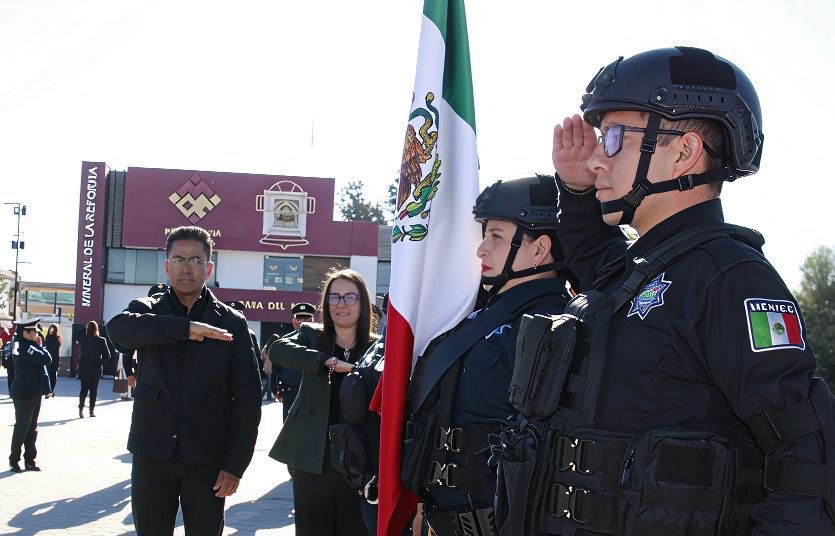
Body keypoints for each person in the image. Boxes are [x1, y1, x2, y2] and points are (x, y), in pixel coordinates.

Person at [501, 47, 835, 535]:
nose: (595, 160)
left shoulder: (732, 278)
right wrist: (574, 191)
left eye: (614, 138)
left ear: (683, 153)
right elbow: (593, 255)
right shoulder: (635, 269)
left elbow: (807, 458)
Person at [400, 175, 574, 536]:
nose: (481, 249)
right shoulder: (478, 317)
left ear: (539, 249)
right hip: (442, 519)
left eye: (496, 236)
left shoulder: (557, 327)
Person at [108, 225, 262, 535]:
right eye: (178, 259)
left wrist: (235, 465)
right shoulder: (147, 310)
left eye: (195, 260)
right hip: (152, 453)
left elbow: (248, 399)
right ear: (167, 266)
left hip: (207, 458)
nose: (186, 267)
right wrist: (185, 328)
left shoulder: (231, 322)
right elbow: (118, 330)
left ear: (209, 268)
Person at [268, 269, 377, 536]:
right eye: (334, 297)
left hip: (360, 462)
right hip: (314, 460)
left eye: (350, 297)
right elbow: (277, 350)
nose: (342, 304)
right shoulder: (311, 335)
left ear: (363, 302)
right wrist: (326, 361)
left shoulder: (378, 347)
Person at [8, 318, 51, 473]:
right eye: (35, 332)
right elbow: (47, 359)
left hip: (31, 390)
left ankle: (29, 460)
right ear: (26, 332)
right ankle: (15, 460)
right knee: (23, 427)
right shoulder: (27, 346)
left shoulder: (19, 343)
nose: (37, 335)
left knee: (31, 427)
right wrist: (40, 346)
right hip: (25, 392)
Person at [265, 302, 316, 420]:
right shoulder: (285, 340)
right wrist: (275, 388)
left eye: (306, 318)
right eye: (299, 318)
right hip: (290, 390)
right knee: (290, 424)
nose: (302, 322)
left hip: (313, 390)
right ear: (293, 320)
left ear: (312, 320)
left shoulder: (320, 339)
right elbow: (276, 367)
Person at [74, 320, 110, 418]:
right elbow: (107, 355)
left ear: (87, 329)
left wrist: (85, 327)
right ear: (96, 329)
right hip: (96, 369)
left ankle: (81, 409)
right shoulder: (101, 340)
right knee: (94, 390)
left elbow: (76, 335)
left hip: (84, 368)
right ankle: (91, 411)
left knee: (83, 389)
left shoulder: (83, 339)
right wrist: (99, 362)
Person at [43, 324, 62, 398]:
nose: (51, 331)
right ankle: (48, 391)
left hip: (55, 359)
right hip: (47, 359)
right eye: (50, 329)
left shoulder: (57, 338)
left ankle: (51, 391)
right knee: (48, 375)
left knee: (53, 375)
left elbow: (56, 347)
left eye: (52, 330)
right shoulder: (47, 337)